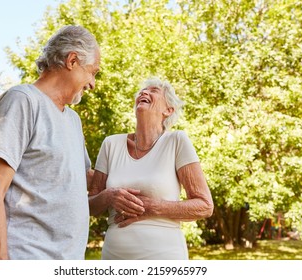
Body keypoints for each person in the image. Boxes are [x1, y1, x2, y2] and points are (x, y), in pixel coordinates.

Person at [0, 25, 100, 260]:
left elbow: (83, 179)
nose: (92, 83)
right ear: (72, 60)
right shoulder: (23, 101)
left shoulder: (73, 120)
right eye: (92, 72)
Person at [88, 77, 213, 260]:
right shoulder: (111, 144)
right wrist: (109, 196)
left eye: (153, 90)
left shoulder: (176, 141)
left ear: (168, 110)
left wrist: (152, 207)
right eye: (142, 91)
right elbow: (91, 205)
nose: (144, 93)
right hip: (114, 256)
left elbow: (204, 206)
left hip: (164, 257)